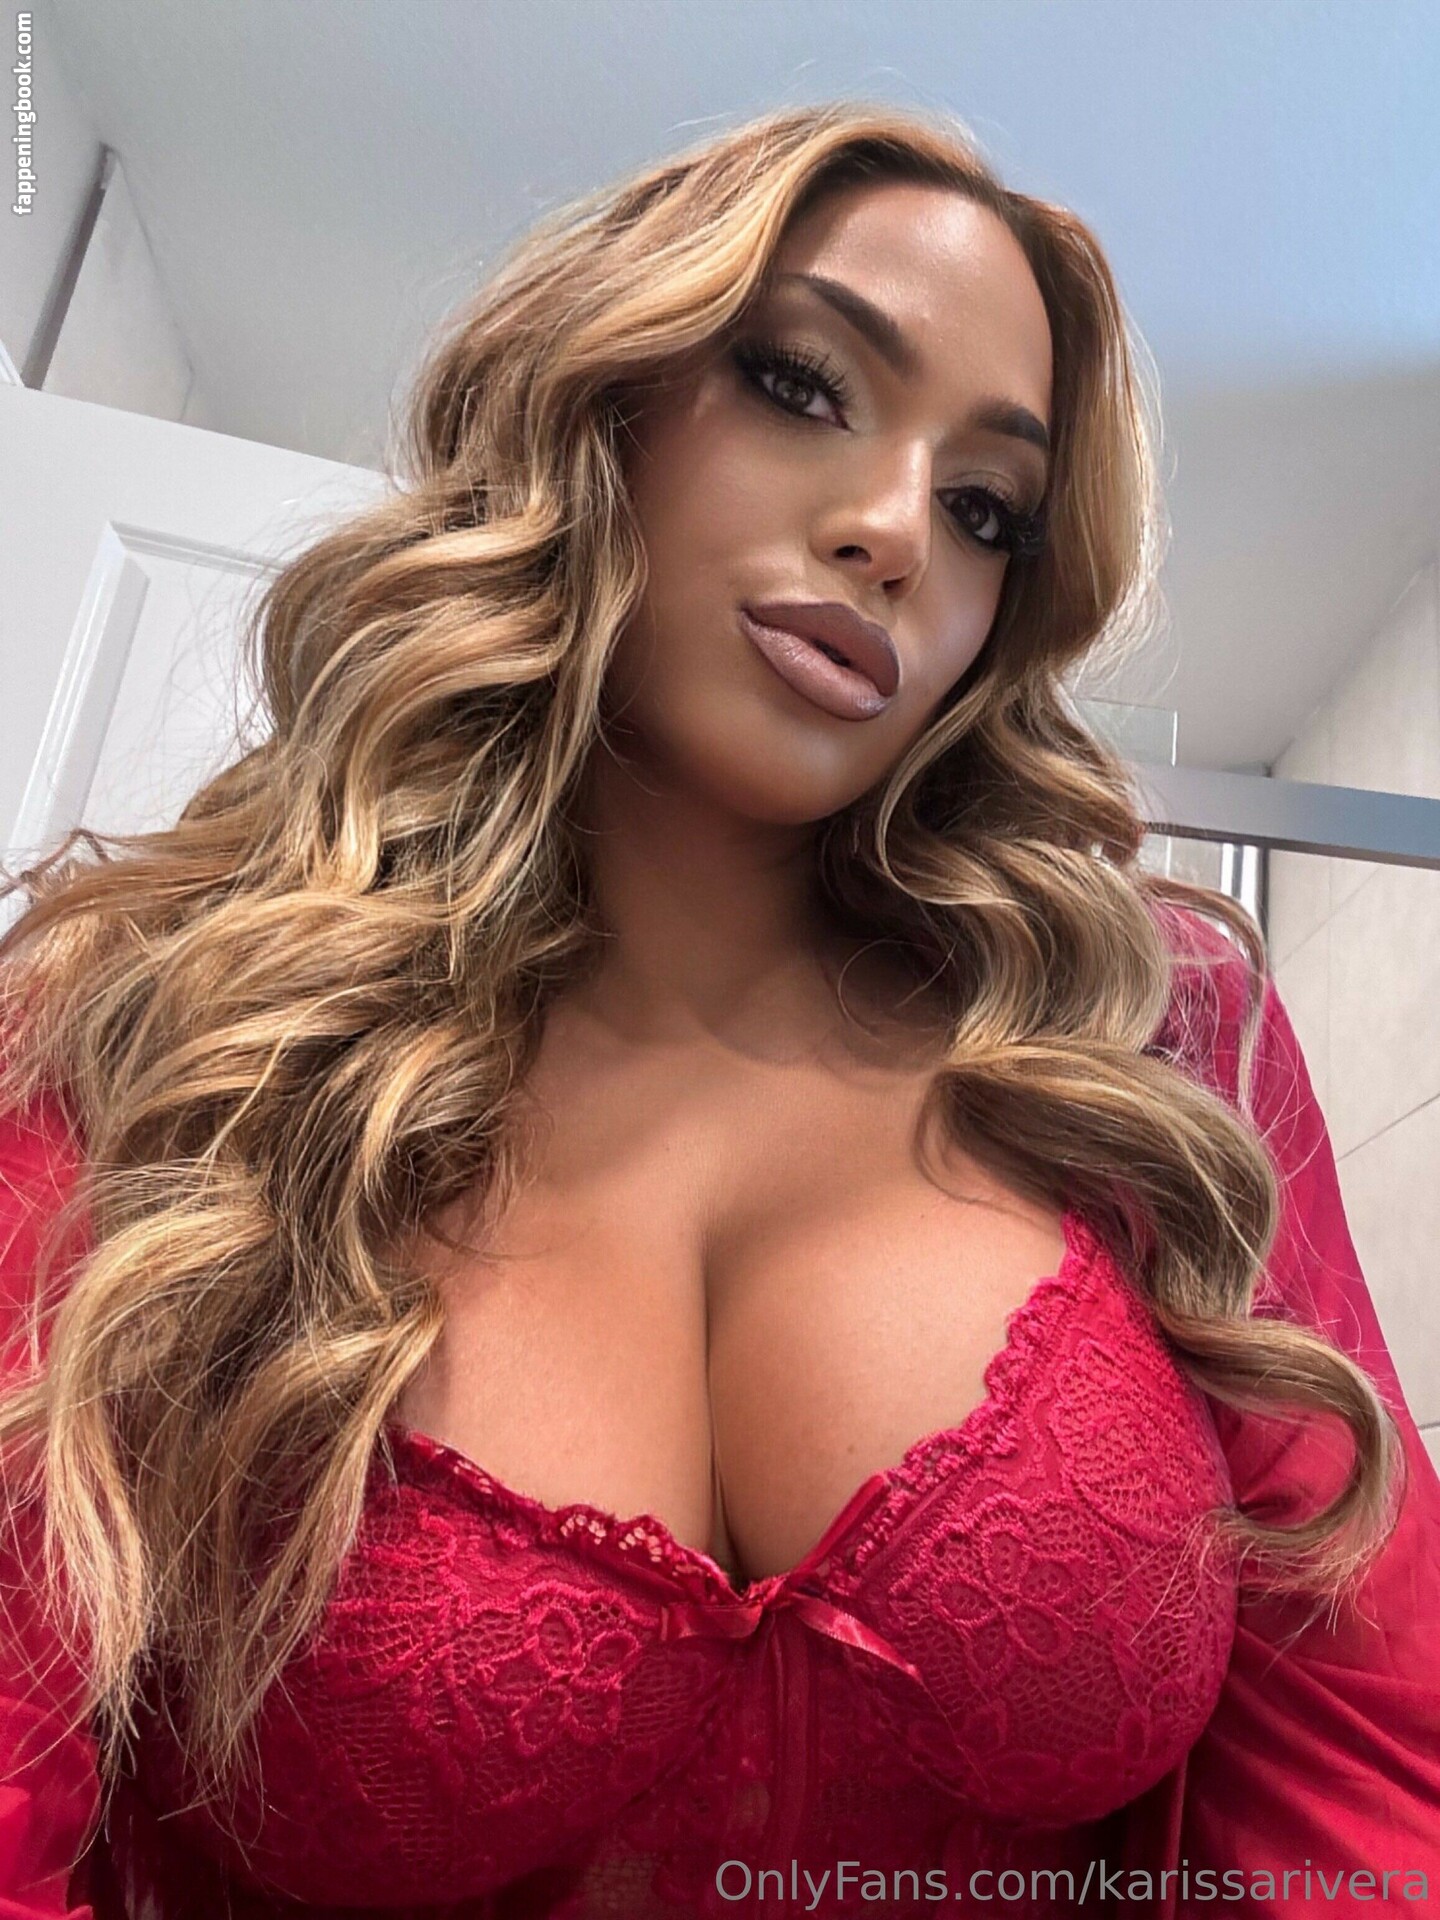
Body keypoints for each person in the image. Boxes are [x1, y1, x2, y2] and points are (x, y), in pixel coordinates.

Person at [0, 100, 1437, 1920]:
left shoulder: (1152, 1048)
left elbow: (1363, 1776)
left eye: (984, 509)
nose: (897, 534)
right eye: (802, 385)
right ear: (604, 405)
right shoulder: (153, 1042)